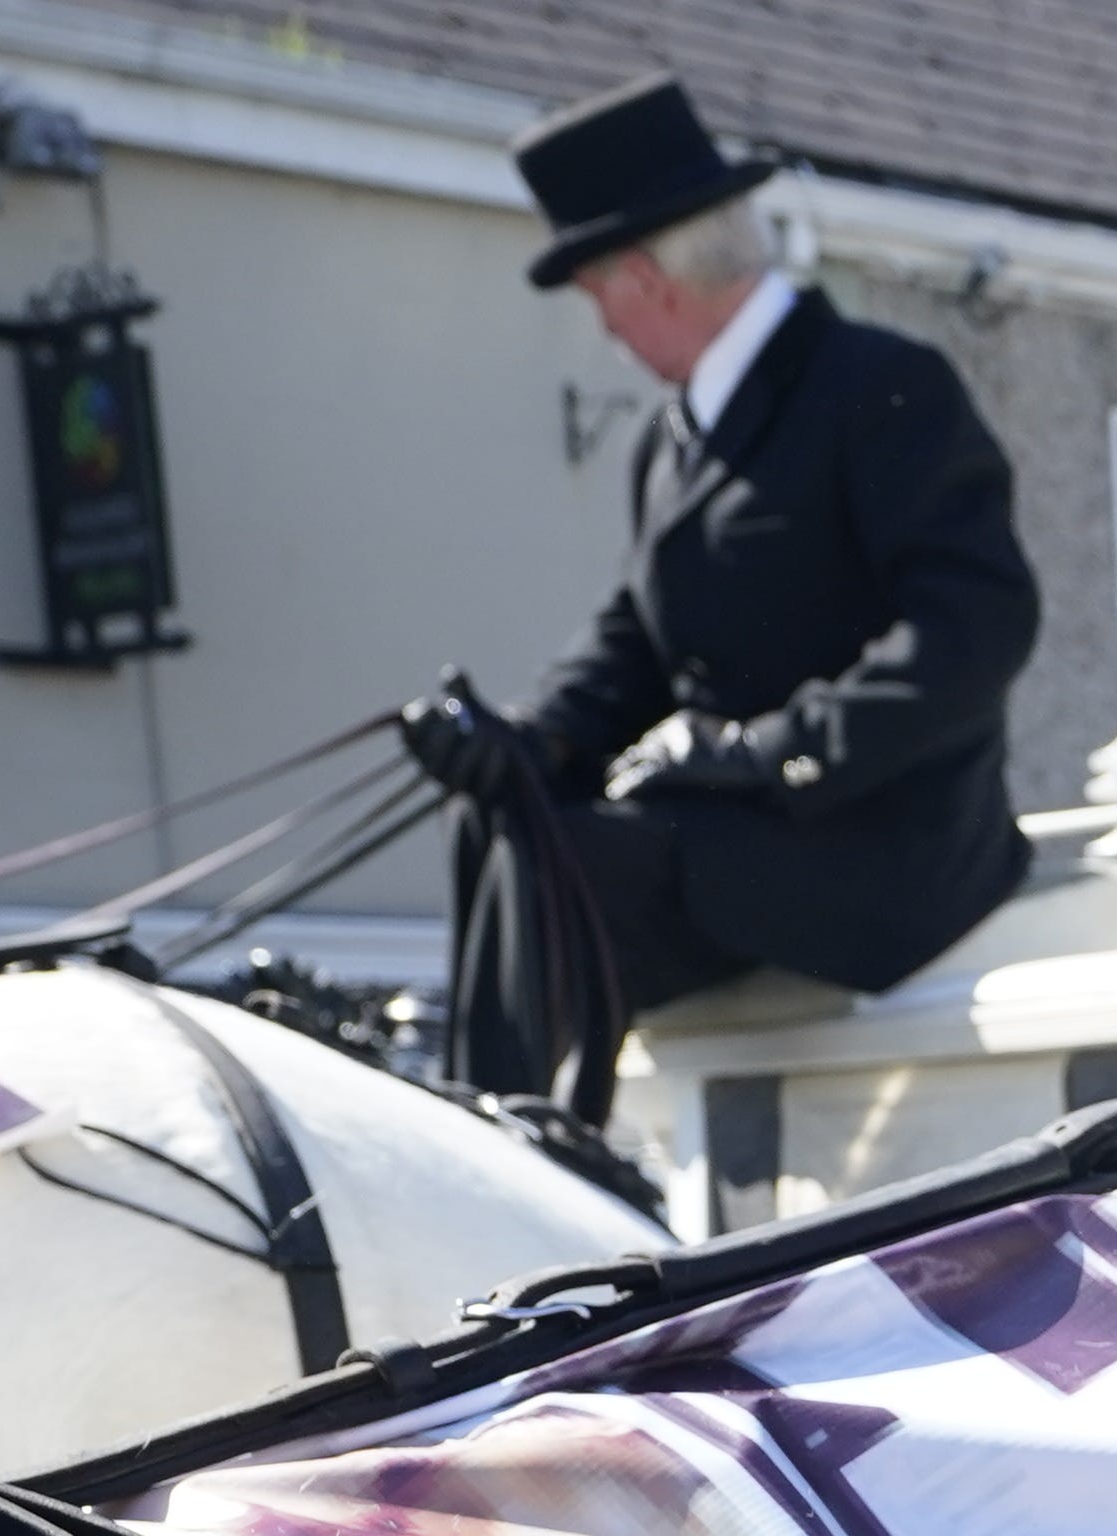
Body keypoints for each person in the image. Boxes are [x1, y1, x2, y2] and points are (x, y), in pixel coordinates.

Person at [416, 76, 1041, 1105]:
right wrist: (528, 738)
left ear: (649, 279)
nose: (604, 327)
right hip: (733, 840)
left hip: (881, 848)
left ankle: (518, 1147)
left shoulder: (881, 389)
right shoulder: (670, 441)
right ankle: (495, 1123)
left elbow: (975, 631)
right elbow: (638, 635)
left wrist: (765, 752)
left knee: (561, 859)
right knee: (501, 812)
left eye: (598, 294)